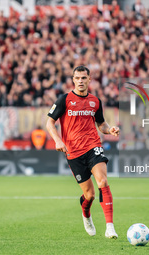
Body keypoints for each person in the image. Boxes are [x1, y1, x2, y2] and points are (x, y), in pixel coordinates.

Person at [46, 66, 120, 239]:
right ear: (73, 80)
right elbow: (49, 123)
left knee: (102, 181)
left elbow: (101, 125)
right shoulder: (64, 100)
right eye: (77, 78)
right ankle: (86, 214)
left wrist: (110, 130)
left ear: (89, 79)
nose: (80, 81)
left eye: (84, 78)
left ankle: (110, 227)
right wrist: (58, 140)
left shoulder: (95, 101)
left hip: (93, 146)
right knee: (90, 195)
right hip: (73, 152)